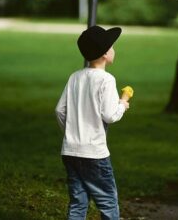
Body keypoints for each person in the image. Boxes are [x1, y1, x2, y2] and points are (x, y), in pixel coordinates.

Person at [55, 25, 130, 220]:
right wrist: (122, 104)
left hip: (70, 151)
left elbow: (59, 110)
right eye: (112, 46)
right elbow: (110, 115)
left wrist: (71, 131)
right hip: (94, 154)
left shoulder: (75, 77)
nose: (114, 49)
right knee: (107, 202)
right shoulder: (106, 80)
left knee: (78, 202)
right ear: (105, 53)